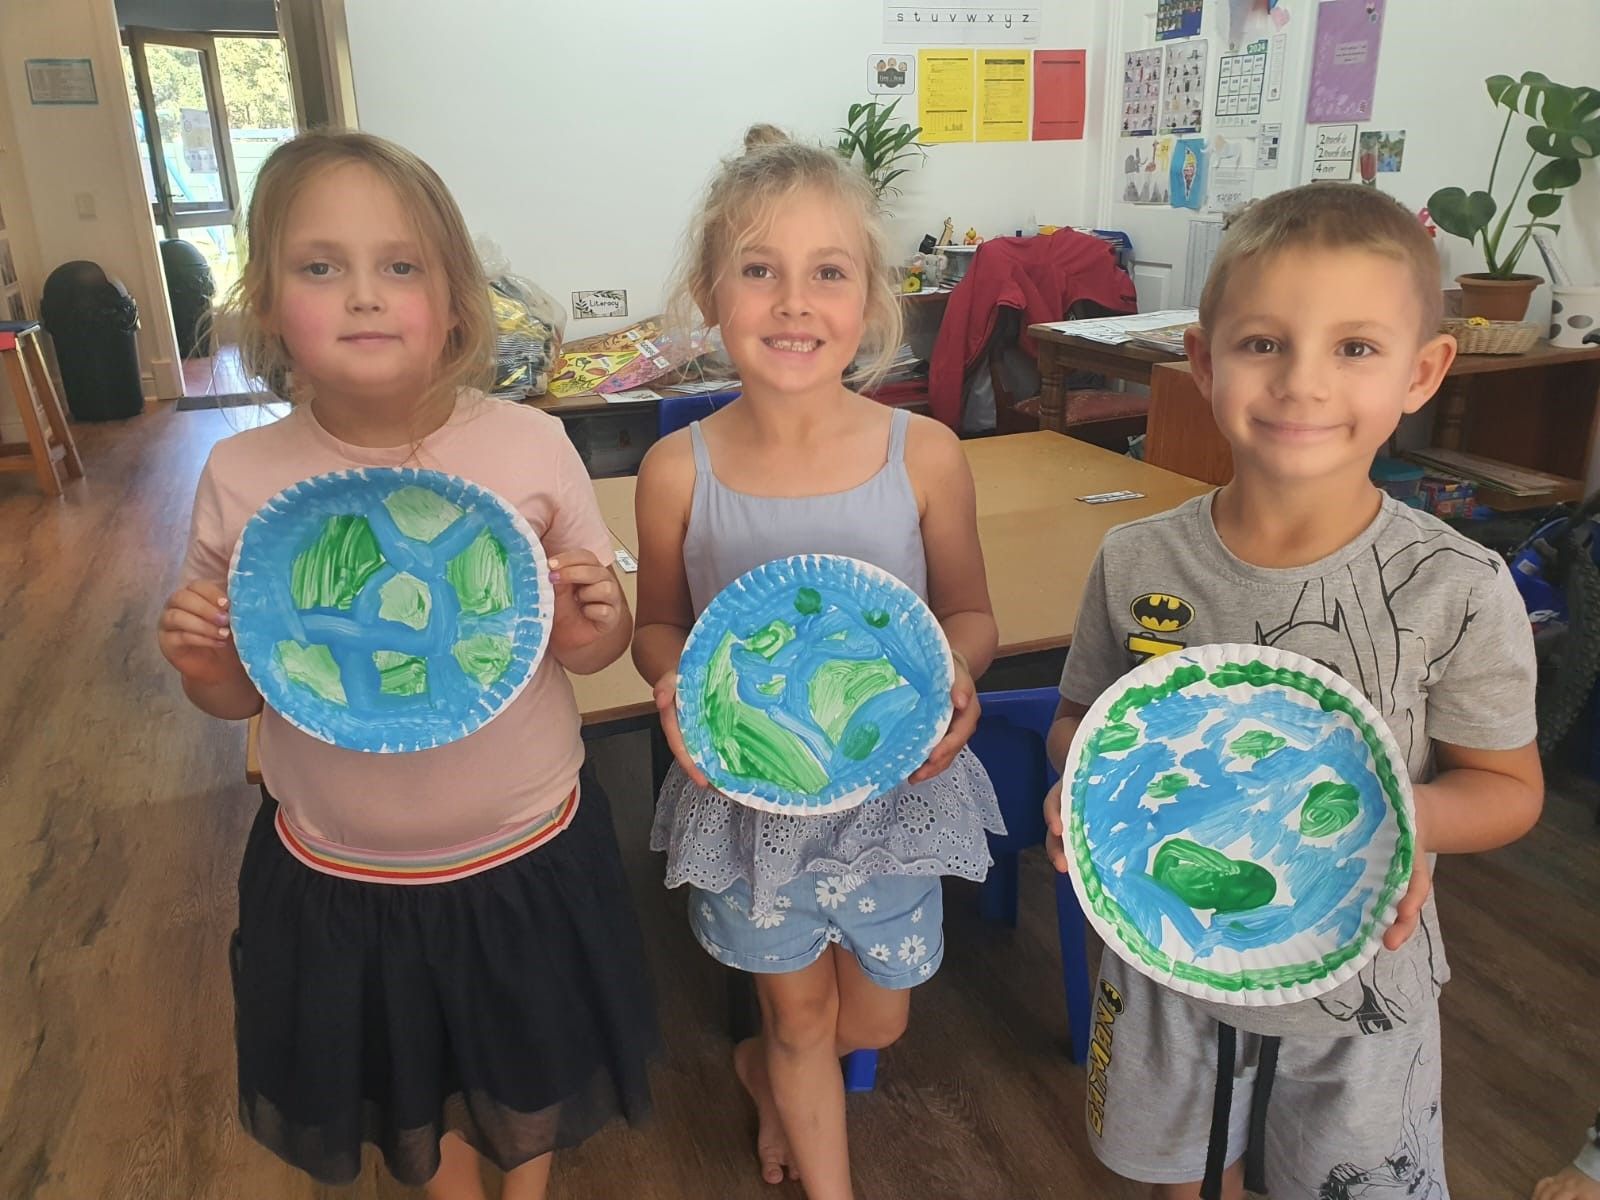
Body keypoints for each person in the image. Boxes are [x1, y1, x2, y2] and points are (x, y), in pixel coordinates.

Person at [157, 130, 654, 1200]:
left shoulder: (529, 445)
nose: (364, 296)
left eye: (400, 267)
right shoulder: (242, 479)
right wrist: (203, 657)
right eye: (320, 266)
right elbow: (238, 696)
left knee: (531, 1069)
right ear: (268, 305)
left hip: (526, 856)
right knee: (409, 1091)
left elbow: (589, 649)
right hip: (340, 877)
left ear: (456, 304)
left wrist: (597, 619)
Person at [1042, 182, 1544, 1200]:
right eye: (1263, 343)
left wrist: (1401, 818)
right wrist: (1084, 787)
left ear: (1423, 371)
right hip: (1164, 950)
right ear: (1201, 362)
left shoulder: (1456, 587)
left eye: (1354, 348)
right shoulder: (1136, 555)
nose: (1301, 384)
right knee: (1182, 1179)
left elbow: (1506, 787)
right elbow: (1073, 723)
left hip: (1364, 976)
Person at [632, 125, 1003, 1199]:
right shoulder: (674, 471)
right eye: (760, 272)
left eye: (826, 273)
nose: (794, 303)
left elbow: (967, 611)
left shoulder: (922, 453)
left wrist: (960, 678)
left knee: (873, 1015)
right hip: (749, 798)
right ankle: (797, 1107)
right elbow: (661, 627)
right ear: (711, 295)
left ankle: (760, 1070)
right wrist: (671, 682)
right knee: (801, 1016)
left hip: (894, 788)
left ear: (870, 298)